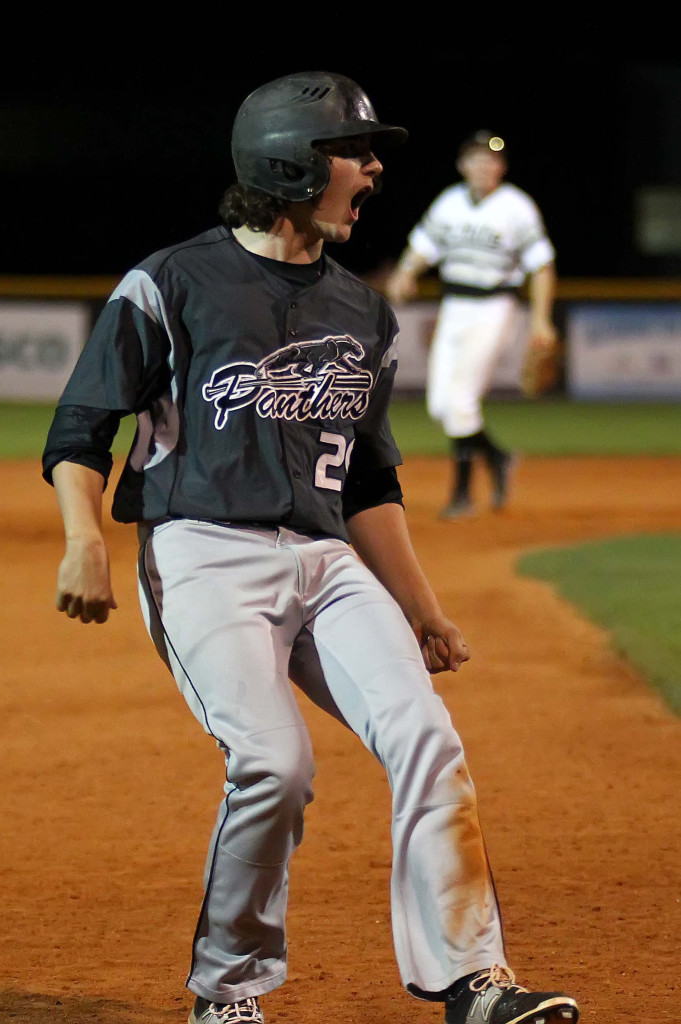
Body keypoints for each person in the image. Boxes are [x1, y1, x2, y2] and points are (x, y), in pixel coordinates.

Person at [42, 73, 579, 1024]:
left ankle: (472, 982)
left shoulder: (363, 312)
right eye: (356, 150)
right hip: (203, 554)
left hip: (331, 567)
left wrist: (421, 608)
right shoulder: (170, 281)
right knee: (273, 763)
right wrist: (84, 539)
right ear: (291, 163)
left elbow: (366, 483)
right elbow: (82, 430)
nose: (373, 168)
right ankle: (228, 992)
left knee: (427, 738)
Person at [385, 130, 558, 520]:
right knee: (441, 405)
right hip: (455, 305)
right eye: (479, 158)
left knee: (461, 400)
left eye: (493, 159)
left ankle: (462, 494)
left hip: (495, 306)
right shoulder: (450, 203)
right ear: (464, 165)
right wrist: (404, 272)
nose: (486, 165)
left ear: (502, 167)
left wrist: (542, 320)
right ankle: (497, 458)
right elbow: (424, 245)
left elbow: (542, 266)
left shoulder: (517, 207)